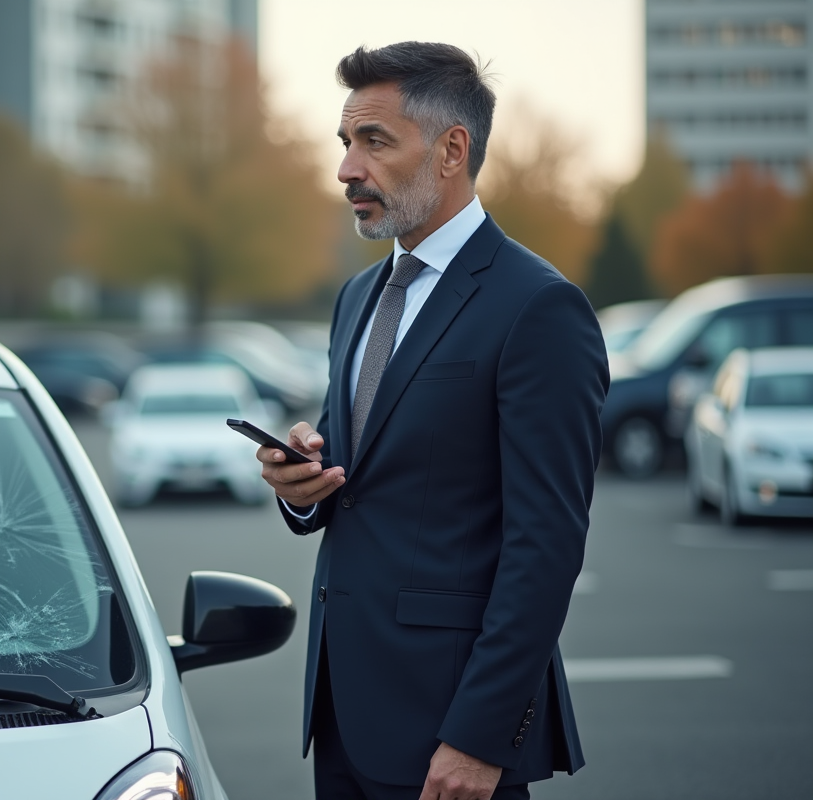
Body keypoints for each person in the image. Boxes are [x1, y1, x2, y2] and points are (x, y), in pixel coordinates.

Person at [257, 42, 610, 800]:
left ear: (453, 150)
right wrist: (299, 481)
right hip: (343, 713)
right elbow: (357, 474)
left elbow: (545, 547)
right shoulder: (357, 298)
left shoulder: (539, 308)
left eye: (373, 141)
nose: (347, 168)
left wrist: (480, 737)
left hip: (452, 732)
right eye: (345, 143)